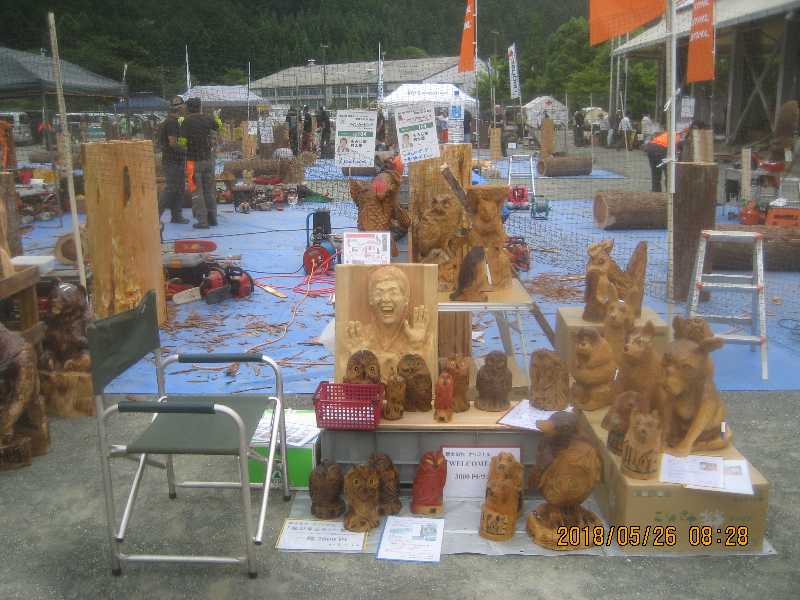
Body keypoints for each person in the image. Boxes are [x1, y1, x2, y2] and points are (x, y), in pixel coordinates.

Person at [181, 97, 219, 229]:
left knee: (197, 192)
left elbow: (182, 142)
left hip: (193, 162)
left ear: (188, 108)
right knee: (209, 190)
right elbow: (217, 128)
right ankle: (212, 218)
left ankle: (202, 221)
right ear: (200, 107)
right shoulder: (208, 119)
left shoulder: (186, 122)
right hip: (208, 160)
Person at [157, 96, 189, 224]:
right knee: (171, 188)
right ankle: (156, 216)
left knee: (179, 188)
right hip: (172, 161)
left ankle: (176, 216)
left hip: (175, 160)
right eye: (184, 106)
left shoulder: (171, 121)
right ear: (179, 107)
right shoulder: (172, 123)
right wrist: (187, 150)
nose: (185, 108)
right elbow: (173, 143)